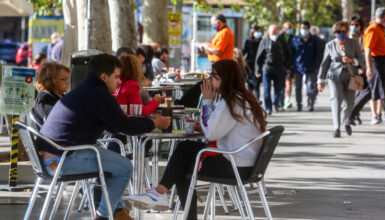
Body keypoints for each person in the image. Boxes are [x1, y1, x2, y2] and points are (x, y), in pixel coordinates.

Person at [36, 54, 171, 220]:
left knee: (110, 162)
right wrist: (155, 123)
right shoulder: (100, 95)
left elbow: (114, 125)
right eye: (115, 77)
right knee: (125, 167)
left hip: (51, 157)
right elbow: (126, 127)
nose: (118, 82)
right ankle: (104, 215)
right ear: (104, 76)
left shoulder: (84, 90)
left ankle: (117, 211)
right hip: (61, 160)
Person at [128, 59, 267, 220]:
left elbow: (211, 134)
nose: (208, 81)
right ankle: (160, 192)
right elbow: (221, 128)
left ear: (226, 79)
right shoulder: (243, 98)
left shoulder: (231, 102)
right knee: (185, 149)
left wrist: (207, 101)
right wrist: (206, 125)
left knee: (183, 164)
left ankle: (161, 194)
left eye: (214, 76)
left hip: (234, 165)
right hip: (247, 164)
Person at [317, 21, 363, 138]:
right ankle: (336, 128)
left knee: (350, 102)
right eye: (338, 32)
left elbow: (361, 60)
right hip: (334, 76)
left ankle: (346, 121)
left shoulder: (353, 43)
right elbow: (324, 64)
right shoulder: (330, 45)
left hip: (351, 76)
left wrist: (352, 61)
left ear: (347, 32)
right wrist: (320, 80)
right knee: (336, 100)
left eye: (343, 32)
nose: (341, 34)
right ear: (334, 33)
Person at [255, 24, 290, 114]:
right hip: (267, 68)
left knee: (278, 89)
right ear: (269, 32)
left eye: (276, 31)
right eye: (272, 32)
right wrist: (257, 70)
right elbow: (259, 57)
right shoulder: (264, 41)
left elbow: (288, 54)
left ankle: (275, 103)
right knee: (266, 89)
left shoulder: (281, 40)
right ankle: (268, 107)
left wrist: (286, 66)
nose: (274, 33)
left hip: (279, 69)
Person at [363, 7, 385, 126]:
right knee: (378, 89)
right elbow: (368, 50)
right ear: (383, 17)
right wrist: (369, 67)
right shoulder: (373, 29)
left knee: (382, 89)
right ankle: (382, 115)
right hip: (376, 62)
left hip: (383, 61)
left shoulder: (381, 29)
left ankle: (382, 114)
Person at [290, 21, 318, 112]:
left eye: (305, 28)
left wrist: (316, 65)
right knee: (298, 87)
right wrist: (290, 66)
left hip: (310, 67)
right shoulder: (295, 39)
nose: (303, 30)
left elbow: (317, 54)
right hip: (298, 67)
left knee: (311, 86)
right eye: (302, 28)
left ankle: (311, 103)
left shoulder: (313, 40)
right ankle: (299, 104)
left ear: (308, 29)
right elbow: (291, 53)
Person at [242, 26, 263, 98]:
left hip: (259, 64)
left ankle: (256, 100)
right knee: (251, 83)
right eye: (257, 31)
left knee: (256, 83)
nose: (258, 33)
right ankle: (252, 100)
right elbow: (243, 52)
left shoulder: (261, 41)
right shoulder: (248, 41)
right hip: (250, 65)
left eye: (260, 31)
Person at [280, 21, 295, 110]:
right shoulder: (279, 38)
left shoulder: (294, 38)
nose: (288, 30)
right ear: (283, 28)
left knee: (289, 83)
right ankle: (280, 100)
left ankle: (287, 100)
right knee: (281, 84)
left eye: (290, 28)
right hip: (280, 65)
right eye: (287, 28)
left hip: (290, 64)